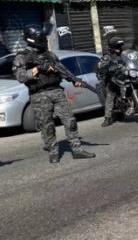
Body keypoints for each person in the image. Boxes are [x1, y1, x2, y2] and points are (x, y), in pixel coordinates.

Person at [13, 25, 96, 163]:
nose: (45, 40)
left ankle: (77, 149)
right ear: (33, 39)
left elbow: (62, 69)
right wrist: (38, 68)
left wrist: (74, 80)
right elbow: (21, 77)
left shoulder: (49, 55)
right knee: (47, 125)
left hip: (57, 91)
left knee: (70, 120)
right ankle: (53, 152)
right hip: (39, 95)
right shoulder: (22, 57)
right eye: (42, 38)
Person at [96, 35, 125, 127]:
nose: (119, 49)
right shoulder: (108, 56)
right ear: (112, 47)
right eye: (117, 47)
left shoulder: (124, 54)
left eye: (120, 47)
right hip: (112, 79)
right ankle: (108, 118)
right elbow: (100, 65)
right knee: (110, 95)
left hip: (124, 77)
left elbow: (133, 57)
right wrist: (106, 67)